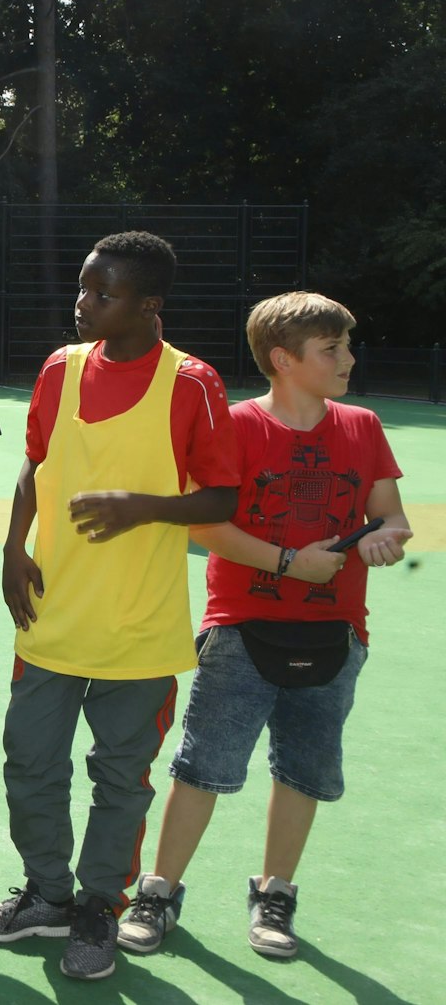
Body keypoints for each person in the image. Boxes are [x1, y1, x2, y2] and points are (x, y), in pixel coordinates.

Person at [0, 231, 240, 981]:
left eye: (102, 293)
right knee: (30, 762)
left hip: (138, 630)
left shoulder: (193, 383)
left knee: (121, 779)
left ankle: (98, 907)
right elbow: (34, 463)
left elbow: (223, 494)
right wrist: (13, 548)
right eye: (84, 288)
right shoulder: (62, 367)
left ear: (149, 304)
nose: (82, 304)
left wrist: (143, 506)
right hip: (51, 616)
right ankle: (48, 894)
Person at [118, 292, 411, 961]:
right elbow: (204, 524)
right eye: (331, 349)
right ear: (284, 359)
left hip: (337, 633)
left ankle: (275, 894)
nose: (347, 358)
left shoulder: (363, 426)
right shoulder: (237, 426)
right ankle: (158, 891)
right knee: (202, 768)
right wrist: (288, 561)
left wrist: (384, 540)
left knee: (302, 773)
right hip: (242, 630)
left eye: (346, 345)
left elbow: (389, 514)